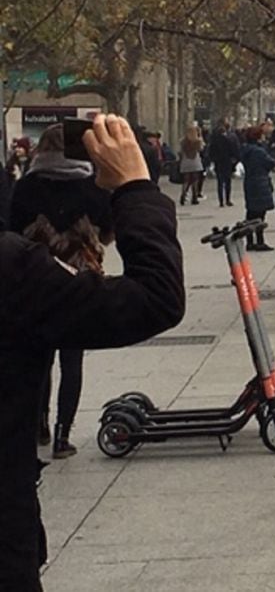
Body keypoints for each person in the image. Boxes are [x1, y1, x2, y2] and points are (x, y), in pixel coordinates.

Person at [0, 113, 185, 591]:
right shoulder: (13, 270)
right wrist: (135, 187)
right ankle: (59, 430)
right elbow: (156, 298)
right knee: (69, 362)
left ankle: (50, 425)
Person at [10, 125, 114, 458]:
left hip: (32, 282)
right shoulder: (92, 186)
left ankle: (38, 424)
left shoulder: (26, 187)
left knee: (39, 358)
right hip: (78, 284)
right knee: (73, 361)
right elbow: (111, 231)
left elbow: (10, 233)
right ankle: (62, 437)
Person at [239, 125, 275, 251]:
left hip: (250, 182)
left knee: (251, 212)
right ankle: (260, 240)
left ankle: (250, 241)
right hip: (260, 182)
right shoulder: (259, 151)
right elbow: (270, 163)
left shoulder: (246, 150)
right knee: (260, 214)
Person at [208, 120, 241, 208]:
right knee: (227, 182)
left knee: (220, 182)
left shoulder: (214, 139)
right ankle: (228, 199)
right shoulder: (230, 139)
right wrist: (235, 159)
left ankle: (221, 201)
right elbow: (234, 150)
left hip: (218, 162)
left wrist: (212, 160)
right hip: (227, 162)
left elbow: (211, 151)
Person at [178, 124, 204, 205]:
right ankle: (194, 198)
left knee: (186, 180)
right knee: (195, 180)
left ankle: (183, 195)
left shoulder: (183, 141)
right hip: (195, 161)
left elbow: (180, 152)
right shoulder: (198, 141)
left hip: (186, 162)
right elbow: (201, 150)